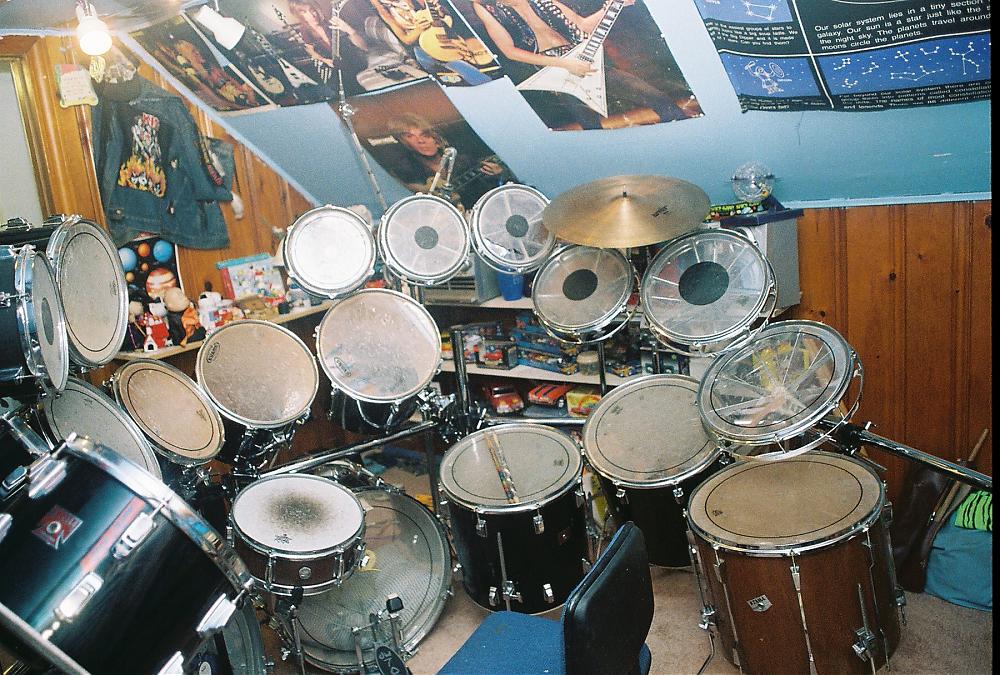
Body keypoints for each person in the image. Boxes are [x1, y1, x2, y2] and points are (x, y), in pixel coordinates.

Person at [471, 0, 688, 128]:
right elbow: (510, 52)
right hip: (556, 73)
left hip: (581, 59)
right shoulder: (486, 8)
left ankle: (680, 130)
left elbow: (582, 25)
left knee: (656, 97)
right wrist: (564, 64)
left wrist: (612, 7)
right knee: (590, 125)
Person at [389, 113, 510, 209]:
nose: (421, 141)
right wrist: (419, 190)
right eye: (410, 136)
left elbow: (496, 194)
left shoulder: (464, 162)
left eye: (425, 135)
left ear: (435, 138)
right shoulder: (405, 172)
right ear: (402, 142)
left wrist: (500, 174)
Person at [370, 0, 493, 85]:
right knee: (452, 63)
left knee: (475, 53)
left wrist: (439, 12)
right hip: (423, 46)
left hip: (445, 35)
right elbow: (406, 40)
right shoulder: (386, 12)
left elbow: (446, 20)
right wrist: (419, 29)